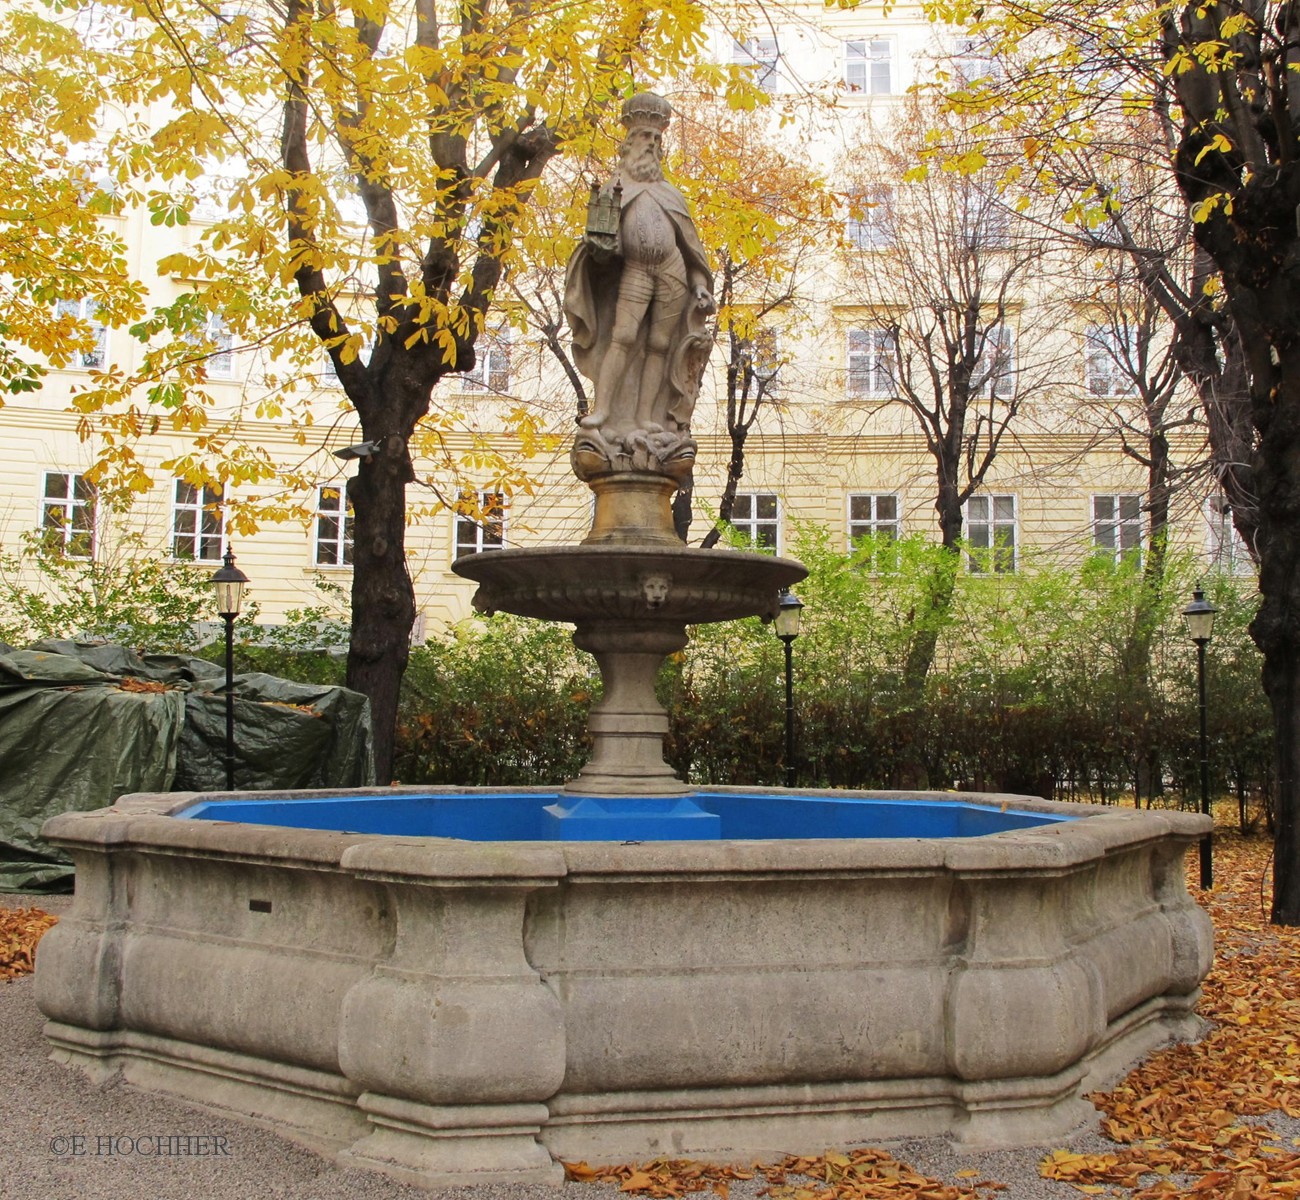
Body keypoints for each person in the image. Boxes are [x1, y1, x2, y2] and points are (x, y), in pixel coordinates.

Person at [563, 92, 715, 448]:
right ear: (629, 142)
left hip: (672, 272)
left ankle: (648, 416)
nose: (652, 144)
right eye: (646, 137)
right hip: (636, 269)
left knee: (660, 344)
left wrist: (699, 284)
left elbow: (692, 251)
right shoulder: (615, 191)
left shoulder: (670, 194)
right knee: (622, 336)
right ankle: (603, 410)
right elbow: (601, 247)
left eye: (657, 139)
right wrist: (602, 252)